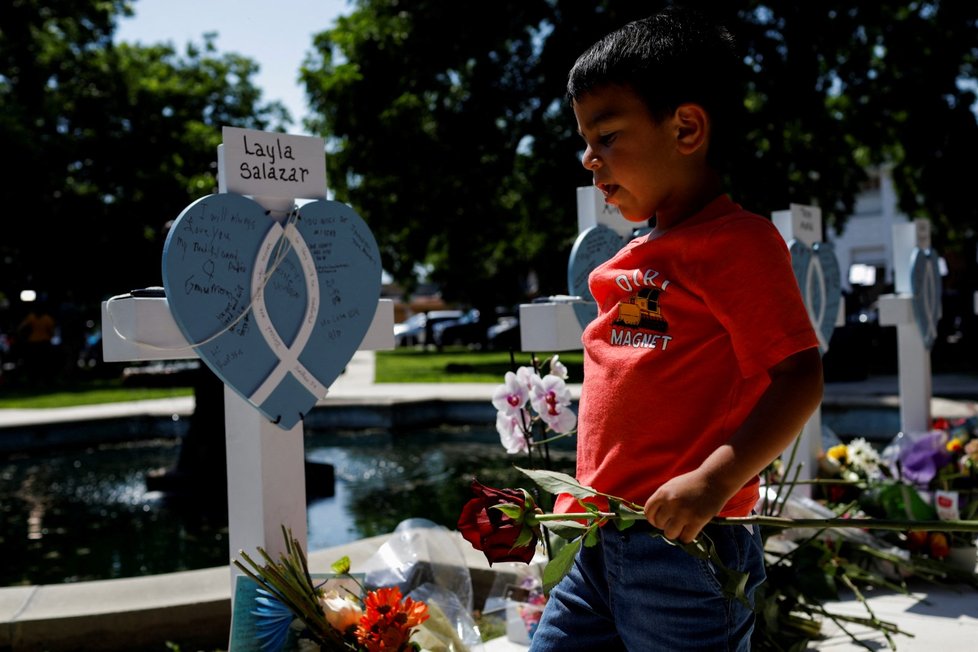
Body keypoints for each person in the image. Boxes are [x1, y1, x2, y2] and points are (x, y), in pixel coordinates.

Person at [530, 6, 824, 651]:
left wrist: (715, 481)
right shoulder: (635, 256)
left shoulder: (735, 244)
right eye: (585, 140)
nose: (588, 158)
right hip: (598, 538)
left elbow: (800, 374)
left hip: (685, 547)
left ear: (687, 127)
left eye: (606, 137)